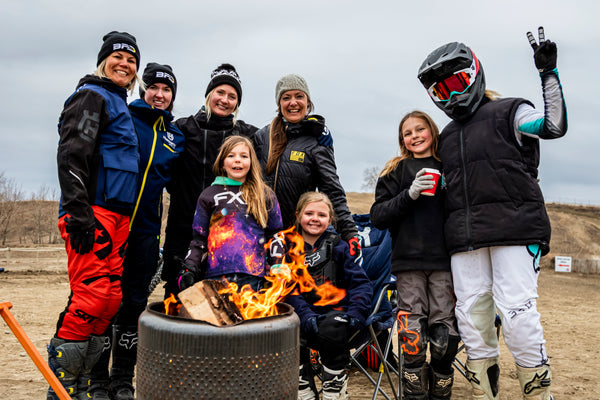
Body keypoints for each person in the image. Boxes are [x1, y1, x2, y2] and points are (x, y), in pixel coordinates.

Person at [417, 27, 567, 400]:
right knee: (472, 322)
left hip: (514, 231)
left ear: (473, 74)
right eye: (440, 90)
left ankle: (538, 395)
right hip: (465, 240)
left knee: (517, 316)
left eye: (454, 83)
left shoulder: (512, 111)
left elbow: (553, 126)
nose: (449, 95)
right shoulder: (447, 136)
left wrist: (548, 74)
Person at [47, 31, 142, 400]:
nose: (125, 64)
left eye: (132, 61)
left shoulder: (119, 103)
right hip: (92, 213)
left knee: (110, 301)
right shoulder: (92, 96)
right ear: (103, 61)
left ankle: (88, 385)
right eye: (118, 58)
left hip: (119, 218)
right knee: (89, 300)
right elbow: (72, 154)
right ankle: (61, 388)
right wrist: (78, 212)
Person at [89, 63, 185, 400]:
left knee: (133, 305)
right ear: (143, 89)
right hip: (111, 225)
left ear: (173, 95)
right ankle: (96, 378)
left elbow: (181, 188)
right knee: (101, 302)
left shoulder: (176, 136)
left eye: (167, 89)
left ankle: (121, 380)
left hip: (146, 233)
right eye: (154, 87)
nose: (160, 95)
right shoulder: (123, 117)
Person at [370, 111, 459, 400]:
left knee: (444, 337)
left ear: (432, 131)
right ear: (402, 140)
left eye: (420, 129)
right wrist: (410, 194)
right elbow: (378, 216)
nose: (415, 136)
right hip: (408, 262)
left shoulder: (450, 166)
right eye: (408, 133)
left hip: (445, 262)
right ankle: (414, 395)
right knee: (413, 333)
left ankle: (441, 392)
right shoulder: (394, 170)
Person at [161, 63, 259, 297]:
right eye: (220, 92)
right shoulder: (182, 128)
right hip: (183, 230)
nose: (225, 100)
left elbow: (279, 139)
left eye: (232, 96)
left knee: (221, 304)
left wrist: (315, 133)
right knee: (177, 299)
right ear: (209, 94)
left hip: (229, 235)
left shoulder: (248, 135)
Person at [271, 192, 372, 400]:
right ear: (298, 215)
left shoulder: (340, 247)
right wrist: (306, 316)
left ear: (330, 219)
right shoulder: (287, 249)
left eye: (321, 215)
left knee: (333, 325)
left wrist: (356, 313)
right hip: (300, 314)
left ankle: (334, 388)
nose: (315, 218)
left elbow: (361, 285)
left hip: (336, 314)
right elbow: (288, 289)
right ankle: (302, 386)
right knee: (286, 328)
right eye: (309, 213)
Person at [254, 74, 362, 263]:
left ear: (308, 101)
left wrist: (350, 232)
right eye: (286, 97)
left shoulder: (317, 142)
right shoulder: (262, 137)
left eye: (299, 96)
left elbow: (332, 190)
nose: (293, 103)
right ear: (279, 104)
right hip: (259, 236)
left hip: (296, 241)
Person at [177, 135, 283, 292]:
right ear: (222, 162)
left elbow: (275, 234)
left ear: (252, 162)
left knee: (248, 317)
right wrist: (189, 267)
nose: (237, 160)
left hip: (254, 277)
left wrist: (278, 265)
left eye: (244, 156)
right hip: (216, 276)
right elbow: (199, 238)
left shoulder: (265, 195)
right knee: (219, 317)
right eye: (231, 155)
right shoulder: (208, 195)